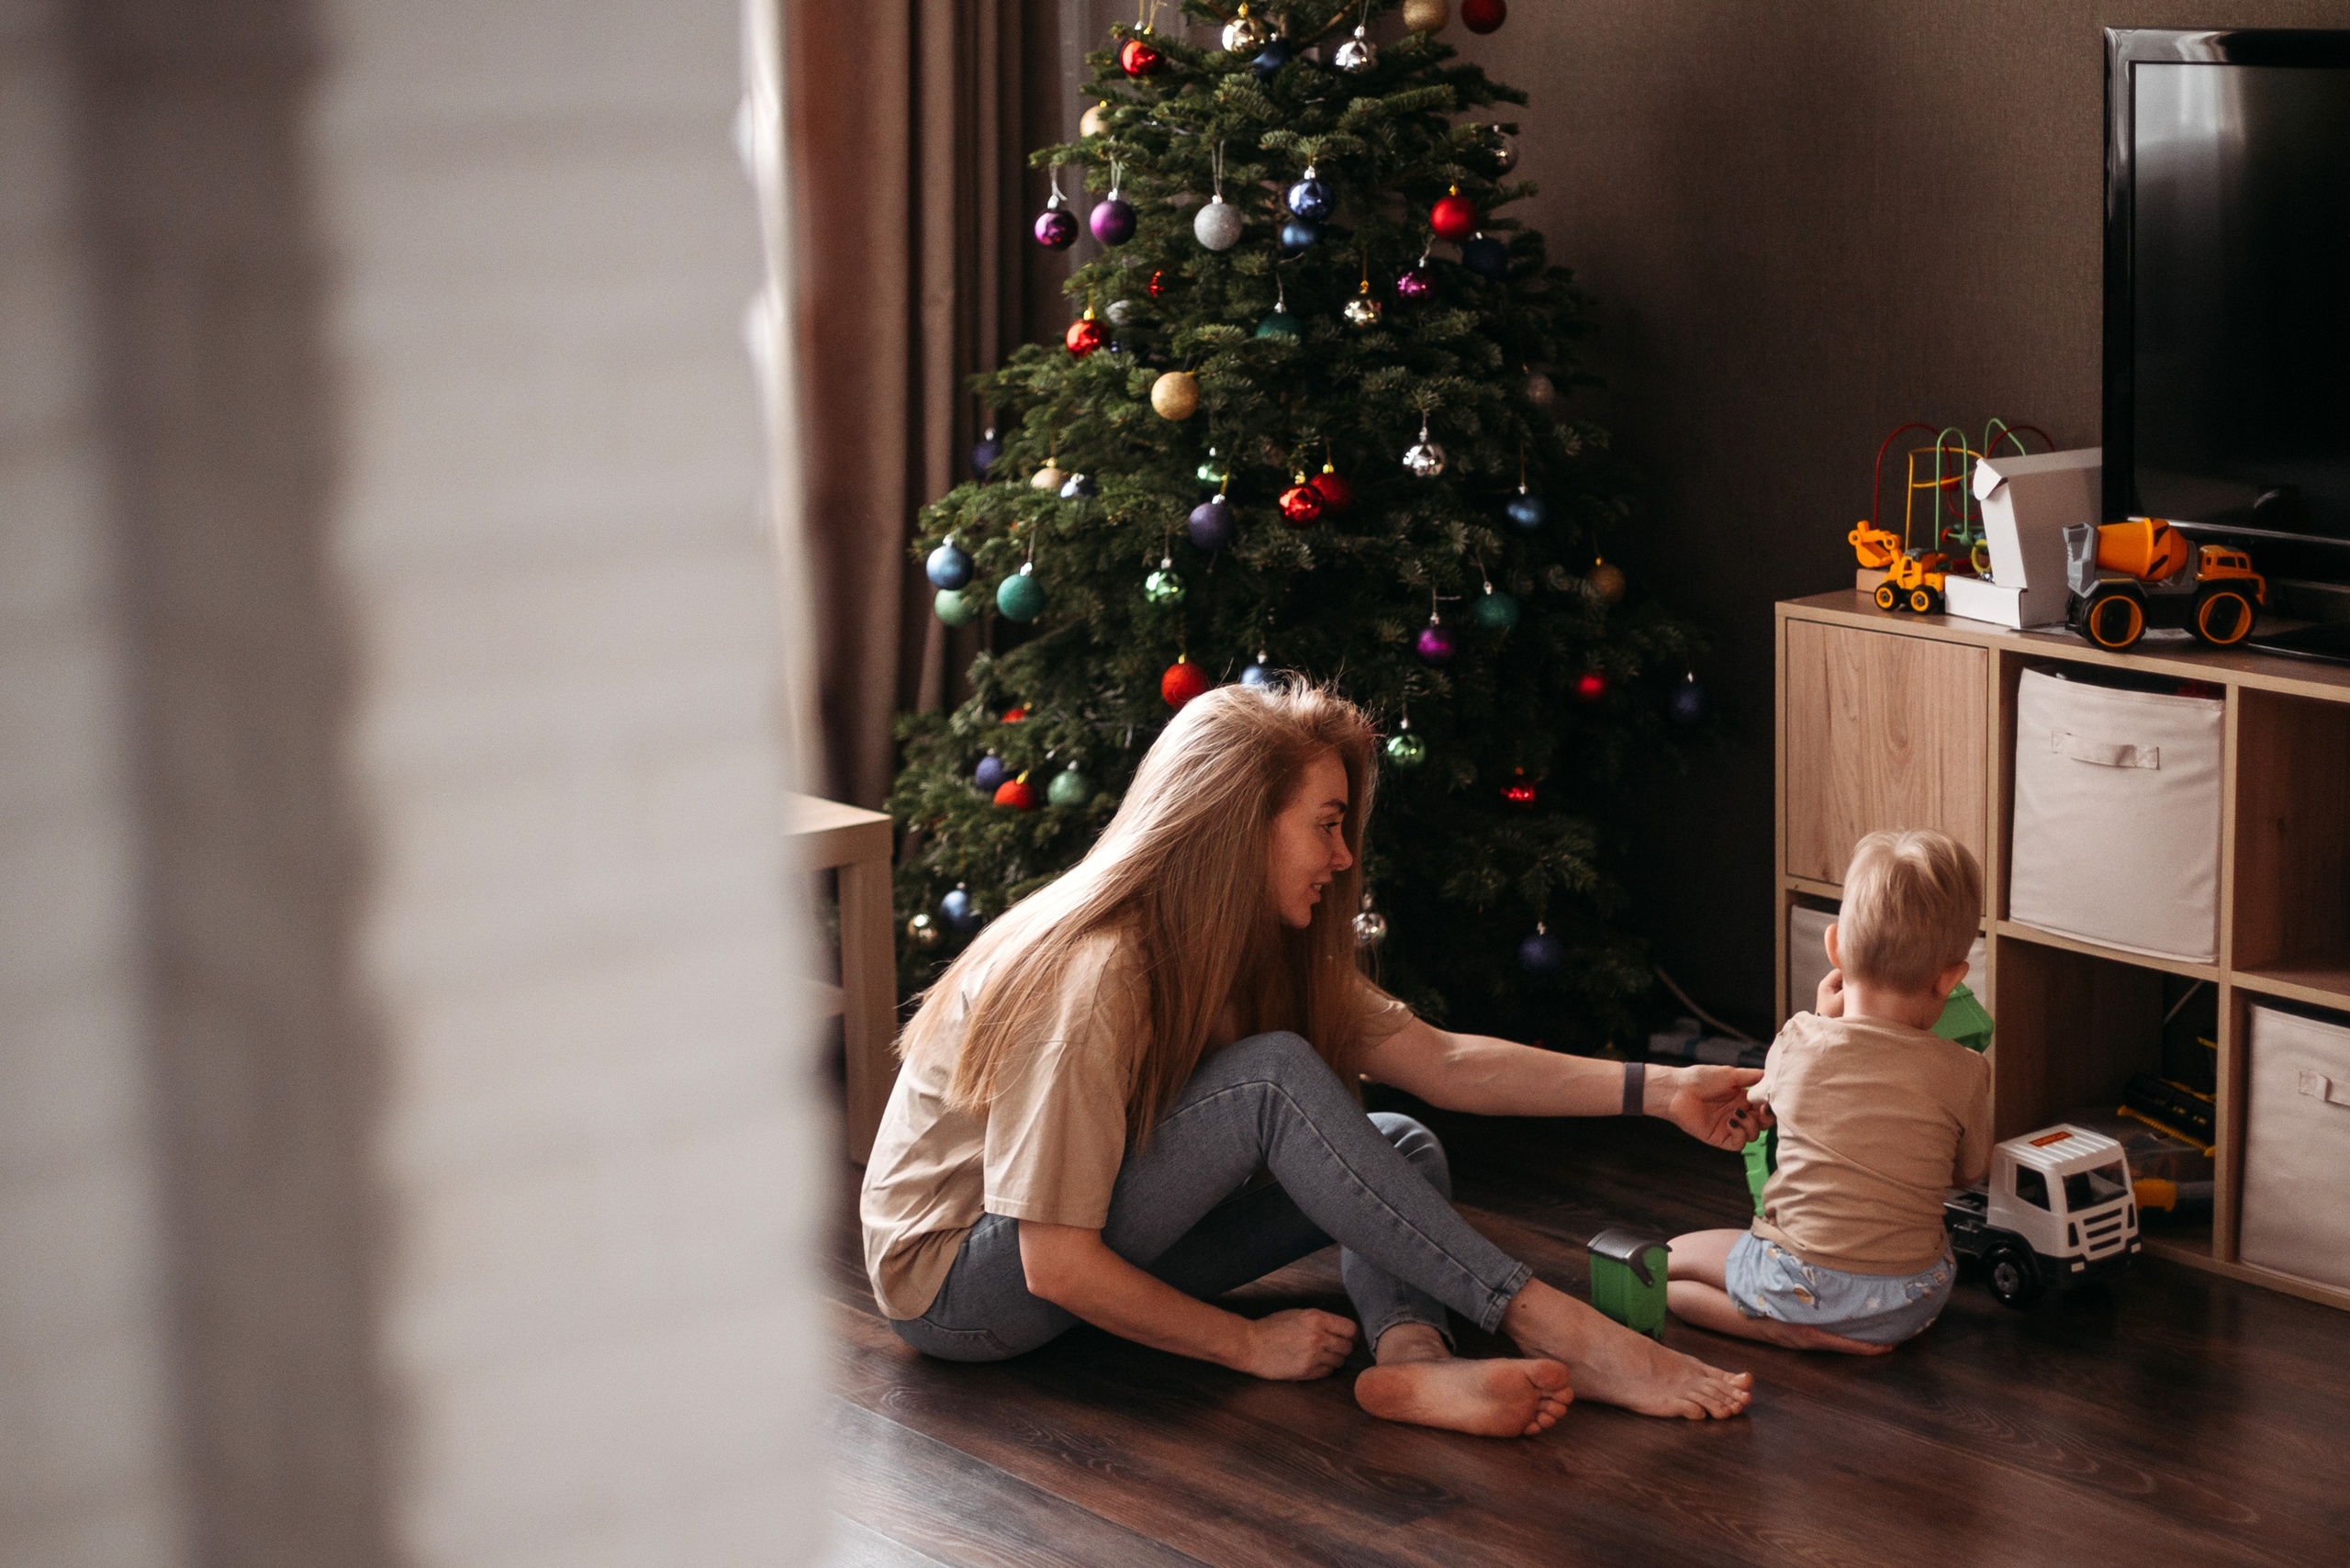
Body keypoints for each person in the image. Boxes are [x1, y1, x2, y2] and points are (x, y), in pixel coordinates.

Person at [860, 682, 1760, 1438]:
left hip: (1080, 1247)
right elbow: (1052, 1265)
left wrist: (1662, 1088)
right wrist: (1242, 1344)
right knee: (1273, 1078)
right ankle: (1551, 1322)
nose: (1342, 856)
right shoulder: (1094, 975)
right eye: (1326, 825)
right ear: (1234, 829)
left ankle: (1414, 1359)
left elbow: (1442, 1061)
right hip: (962, 1290)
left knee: (1397, 1142)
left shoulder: (1241, 946)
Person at [1665, 828, 1991, 1353]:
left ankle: (1792, 1332)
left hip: (1803, 1289)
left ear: (1834, 946)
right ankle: (1829, 1329)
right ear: (1950, 978)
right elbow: (1969, 1171)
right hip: (1911, 1303)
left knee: (1670, 1268)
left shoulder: (1797, 1041)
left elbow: (1771, 1104)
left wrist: (1818, 1019)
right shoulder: (1968, 1070)